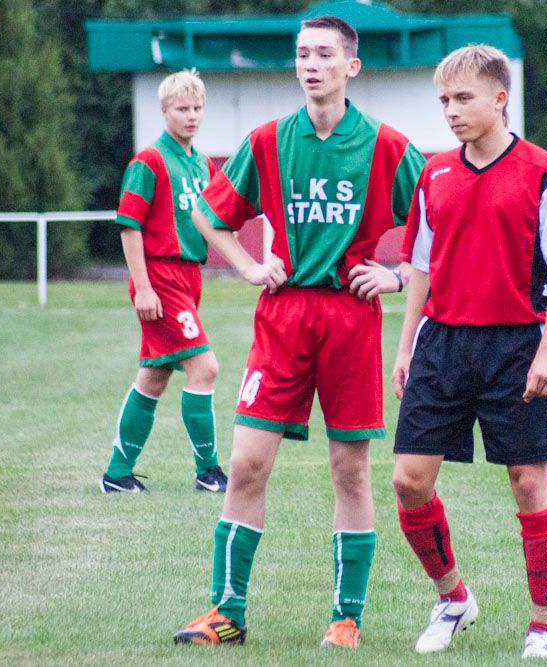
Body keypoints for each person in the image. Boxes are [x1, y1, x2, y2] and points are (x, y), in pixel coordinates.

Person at [172, 16, 425, 649]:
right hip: (282, 319)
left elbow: (439, 225)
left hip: (350, 320)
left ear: (352, 67)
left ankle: (347, 619)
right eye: (302, 54)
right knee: (246, 465)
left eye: (324, 55)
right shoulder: (268, 140)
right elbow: (209, 216)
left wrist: (394, 279)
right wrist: (251, 264)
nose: (311, 64)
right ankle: (225, 613)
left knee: (349, 471)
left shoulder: (387, 146)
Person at [390, 45, 547, 659]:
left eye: (463, 98)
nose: (451, 111)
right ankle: (453, 599)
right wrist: (403, 350)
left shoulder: (544, 170)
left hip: (515, 346)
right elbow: (418, 268)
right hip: (441, 346)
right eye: (444, 100)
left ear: (500, 99)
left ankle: (543, 627)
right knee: (408, 481)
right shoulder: (434, 173)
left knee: (529, 484)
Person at [100, 69, 227, 494]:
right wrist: (145, 287)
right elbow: (129, 226)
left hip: (188, 277)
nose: (191, 116)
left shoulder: (202, 163)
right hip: (160, 277)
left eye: (197, 108)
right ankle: (209, 471)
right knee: (204, 367)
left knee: (154, 376)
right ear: (164, 111)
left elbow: (218, 220)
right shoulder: (149, 161)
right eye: (182, 109)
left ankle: (117, 474)